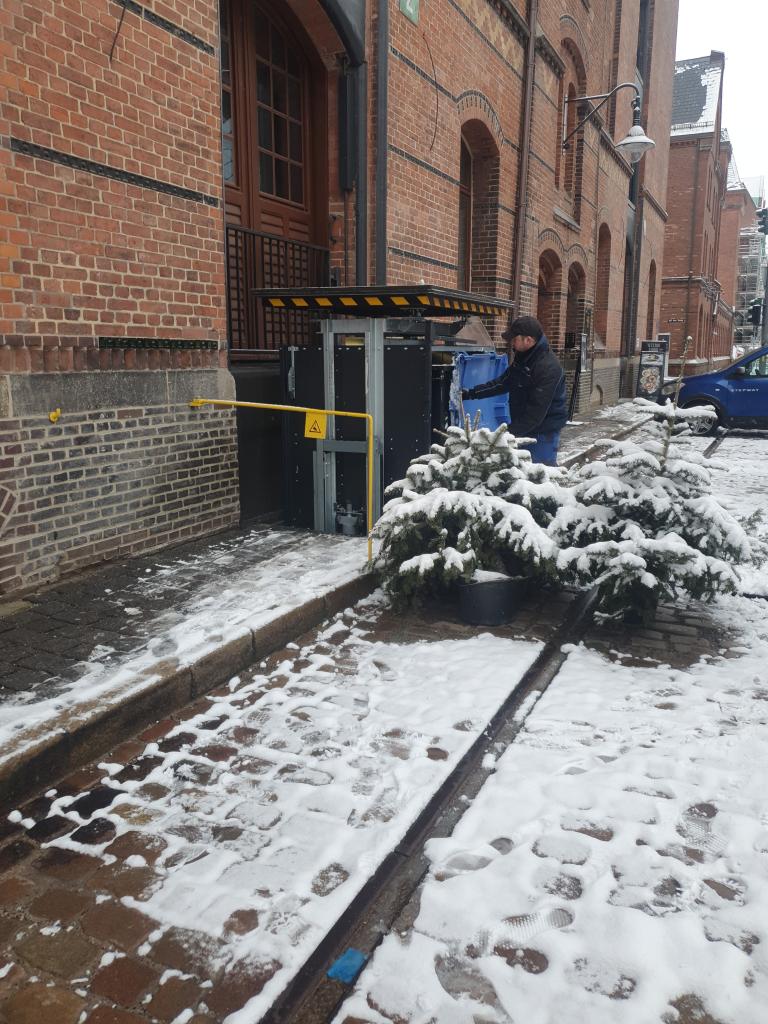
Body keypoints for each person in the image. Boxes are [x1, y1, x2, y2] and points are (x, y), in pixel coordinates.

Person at [462, 315, 567, 465]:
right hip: (525, 426)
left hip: (544, 432)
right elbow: (504, 383)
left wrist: (506, 434)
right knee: (522, 472)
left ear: (528, 340)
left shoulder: (547, 368)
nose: (511, 343)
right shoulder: (524, 357)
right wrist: (471, 393)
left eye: (514, 339)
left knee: (540, 474)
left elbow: (535, 414)